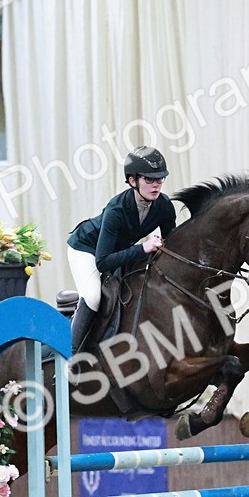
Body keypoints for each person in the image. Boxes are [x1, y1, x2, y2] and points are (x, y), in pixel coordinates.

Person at [66, 145, 177, 351]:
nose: (156, 185)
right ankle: (68, 355)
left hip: (116, 250)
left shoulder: (164, 206)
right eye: (149, 179)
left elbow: (172, 245)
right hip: (86, 249)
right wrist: (144, 248)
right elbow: (103, 262)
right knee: (93, 296)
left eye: (160, 179)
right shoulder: (116, 210)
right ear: (133, 181)